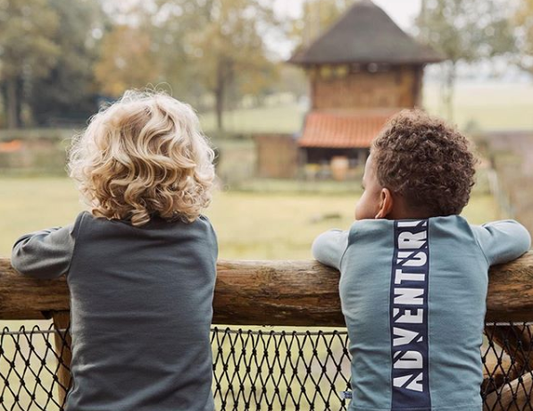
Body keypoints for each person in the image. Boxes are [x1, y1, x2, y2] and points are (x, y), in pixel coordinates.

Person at [11, 91, 218, 411]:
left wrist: (68, 233)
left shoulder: (85, 234)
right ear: (189, 166)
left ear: (105, 167)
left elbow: (24, 255)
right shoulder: (203, 236)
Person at [312, 110, 531, 411]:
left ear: (383, 203)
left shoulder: (355, 244)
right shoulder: (471, 240)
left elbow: (321, 243)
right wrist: (465, 233)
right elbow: (518, 234)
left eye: (364, 189)